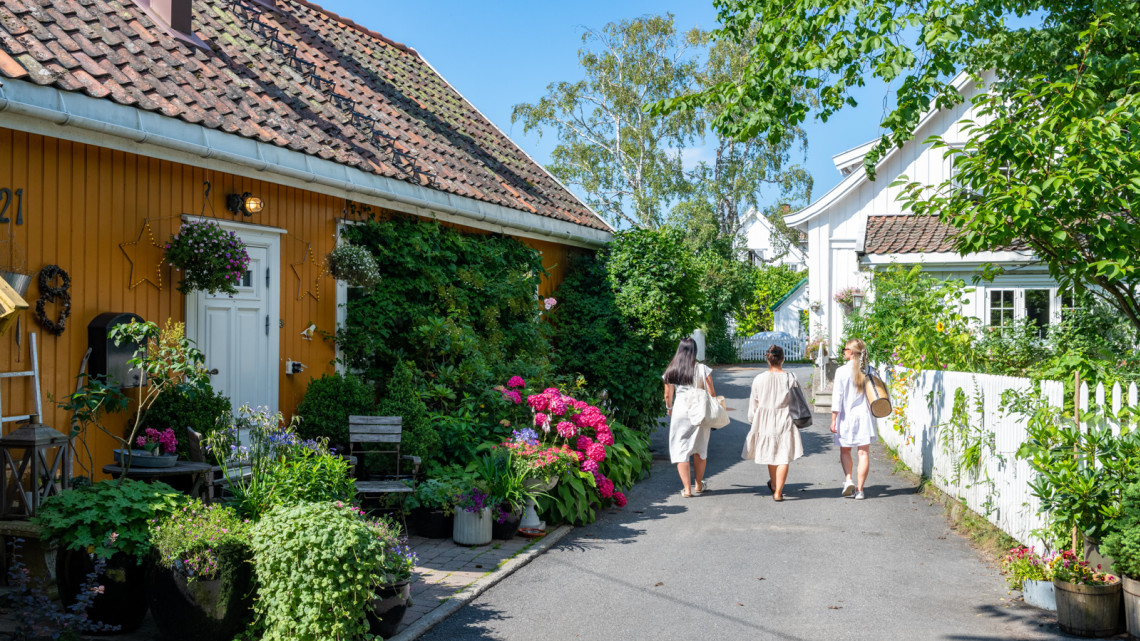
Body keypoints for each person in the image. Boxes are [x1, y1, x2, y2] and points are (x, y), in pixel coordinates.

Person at [743, 345, 805, 502]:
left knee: (771, 454)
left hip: (765, 420)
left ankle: (775, 486)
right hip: (785, 417)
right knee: (783, 456)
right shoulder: (790, 378)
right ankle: (778, 492)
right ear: (783, 359)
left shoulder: (759, 379)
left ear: (768, 359)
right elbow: (798, 400)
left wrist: (753, 419)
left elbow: (754, 404)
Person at [663, 337, 716, 498]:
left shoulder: (671, 370)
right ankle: (699, 484)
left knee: (681, 449)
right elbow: (712, 393)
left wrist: (669, 408)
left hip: (680, 411)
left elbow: (667, 395)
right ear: (694, 351)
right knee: (700, 448)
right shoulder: (702, 369)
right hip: (699, 411)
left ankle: (686, 489)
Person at [830, 338, 877, 500]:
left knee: (845, 450)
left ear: (851, 352)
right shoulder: (870, 370)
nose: (844, 352)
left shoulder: (841, 371)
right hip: (865, 417)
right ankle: (860, 490)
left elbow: (837, 397)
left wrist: (833, 419)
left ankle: (848, 479)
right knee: (863, 453)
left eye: (845, 349)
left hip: (846, 417)